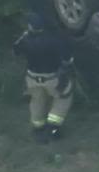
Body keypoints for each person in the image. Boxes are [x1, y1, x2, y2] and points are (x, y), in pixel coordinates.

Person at [13, 12, 75, 144]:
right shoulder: (54, 39)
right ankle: (53, 129)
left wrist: (24, 36)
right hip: (53, 77)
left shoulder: (25, 40)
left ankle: (38, 129)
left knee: (37, 101)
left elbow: (15, 50)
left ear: (30, 26)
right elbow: (67, 60)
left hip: (32, 78)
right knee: (64, 97)